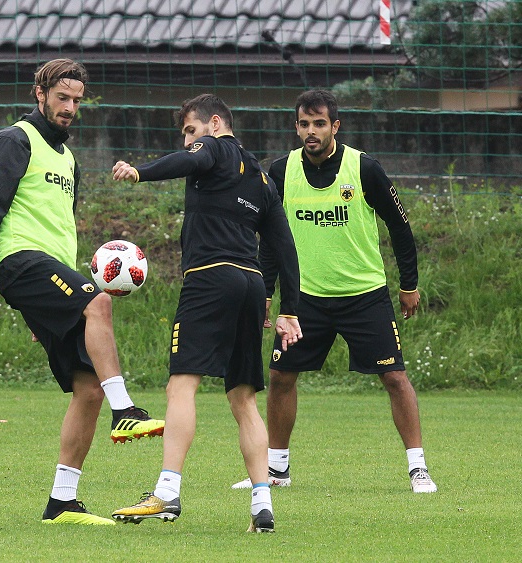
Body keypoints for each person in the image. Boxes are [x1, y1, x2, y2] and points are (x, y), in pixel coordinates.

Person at [0, 58, 164, 526]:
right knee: (99, 301)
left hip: (51, 275)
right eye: (62, 98)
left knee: (87, 388)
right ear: (40, 94)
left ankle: (62, 503)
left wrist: (48, 308)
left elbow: (59, 229)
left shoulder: (68, 158)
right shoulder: (14, 140)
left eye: (76, 100)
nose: (69, 107)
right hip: (20, 261)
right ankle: (126, 411)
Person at [109, 94, 303, 533]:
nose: (188, 141)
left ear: (215, 123)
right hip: (251, 284)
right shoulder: (263, 178)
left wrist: (140, 171)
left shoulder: (214, 147)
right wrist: (290, 309)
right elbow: (285, 248)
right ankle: (262, 504)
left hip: (209, 278)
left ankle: (167, 492)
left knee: (181, 385)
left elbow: (191, 159)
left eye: (190, 131)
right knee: (243, 398)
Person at [231, 89, 437, 493]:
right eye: (305, 124)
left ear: (335, 126)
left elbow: (400, 226)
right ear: (296, 127)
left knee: (395, 377)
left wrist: (409, 284)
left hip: (364, 295)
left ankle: (418, 468)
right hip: (304, 299)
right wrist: (266, 291)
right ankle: (277, 470)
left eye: (320, 123)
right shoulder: (281, 171)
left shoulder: (364, 168)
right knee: (280, 376)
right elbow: (270, 237)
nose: (312, 131)